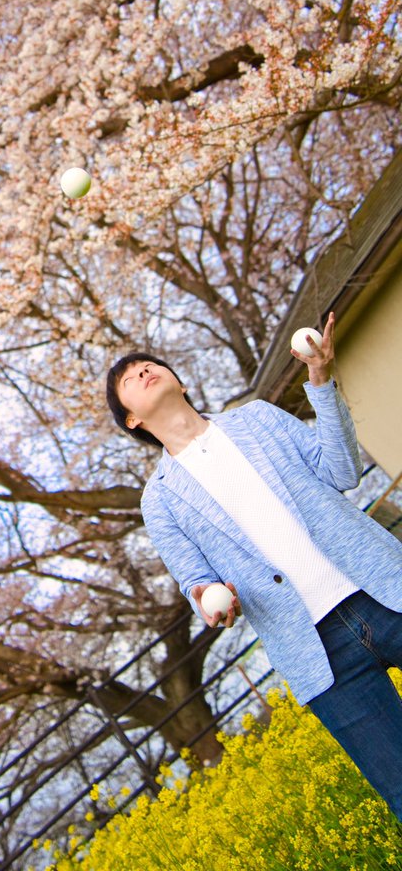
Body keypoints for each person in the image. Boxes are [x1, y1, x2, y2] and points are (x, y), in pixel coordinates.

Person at [105, 313, 402, 823]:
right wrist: (213, 602)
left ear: (177, 379)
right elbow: (196, 583)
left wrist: (320, 381)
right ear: (132, 420)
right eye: (128, 380)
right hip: (320, 657)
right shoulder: (160, 502)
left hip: (384, 589)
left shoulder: (258, 417)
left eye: (148, 364)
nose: (142, 371)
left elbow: (343, 471)